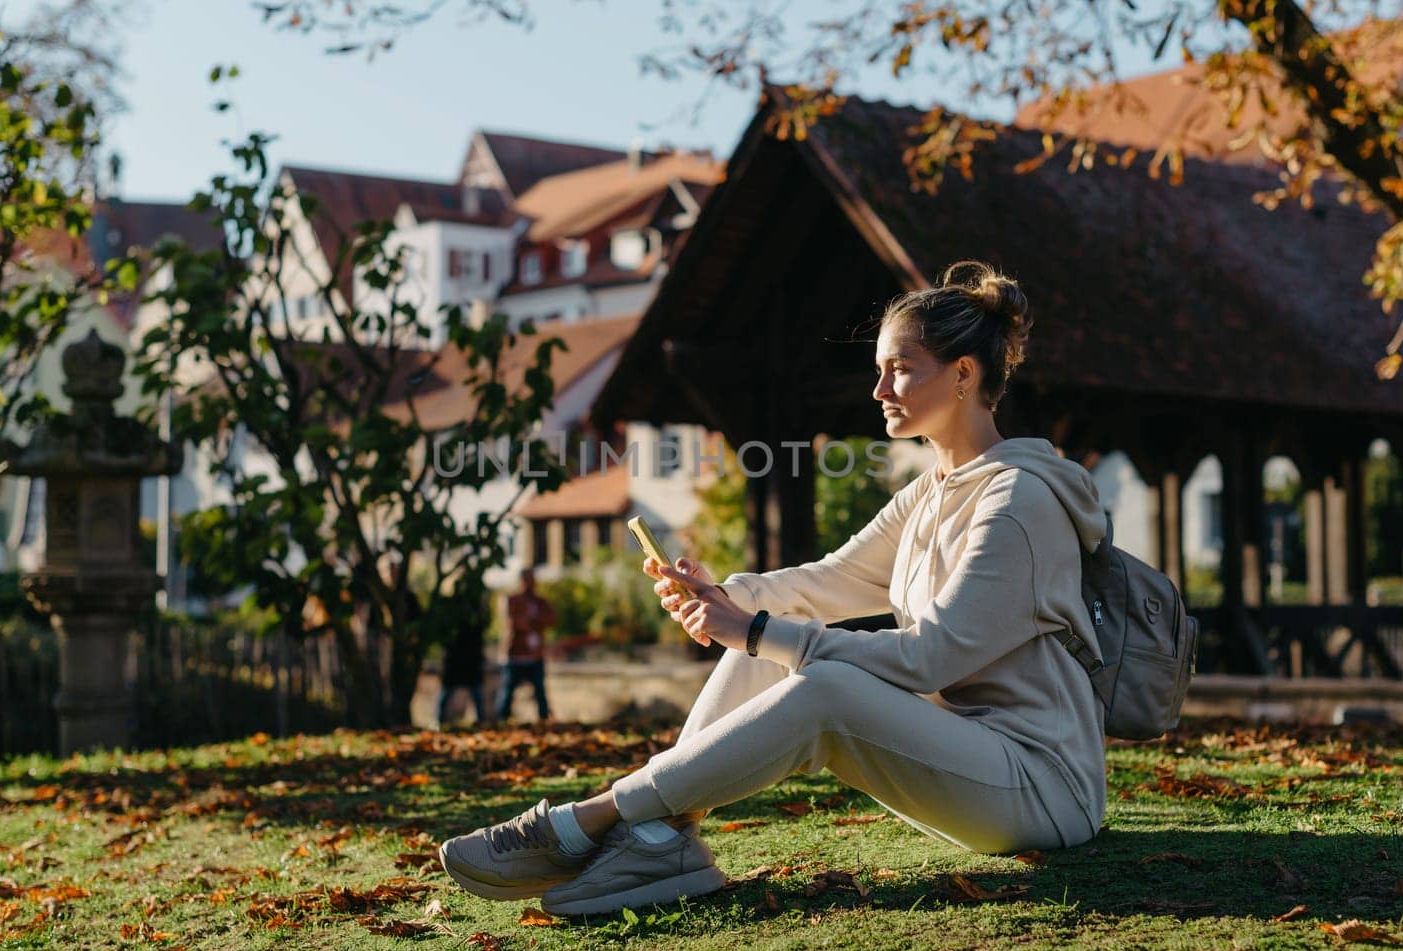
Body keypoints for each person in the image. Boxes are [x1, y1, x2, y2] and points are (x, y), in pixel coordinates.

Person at [439, 261, 1108, 917]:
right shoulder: (928, 495)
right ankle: (662, 837)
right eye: (878, 369)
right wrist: (727, 600)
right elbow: (830, 581)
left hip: (1040, 786)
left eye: (899, 369)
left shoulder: (1019, 503)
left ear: (964, 374)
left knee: (822, 683)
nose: (878, 389)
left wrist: (755, 629)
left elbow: (928, 659)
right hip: (963, 759)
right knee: (777, 632)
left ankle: (592, 820)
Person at [495, 567, 554, 722]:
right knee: (507, 693)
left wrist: (531, 622)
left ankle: (544, 722)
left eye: (532, 579)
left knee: (540, 693)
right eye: (527, 579)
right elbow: (515, 623)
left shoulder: (540, 602)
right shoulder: (512, 600)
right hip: (514, 655)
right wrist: (535, 622)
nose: (530, 583)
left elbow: (551, 619)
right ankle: (502, 722)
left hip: (535, 656)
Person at [436, 578, 491, 729]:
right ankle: (439, 723)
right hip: (456, 659)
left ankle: (482, 724)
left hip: (471, 659)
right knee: (447, 694)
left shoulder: (475, 609)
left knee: (476, 695)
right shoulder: (450, 609)